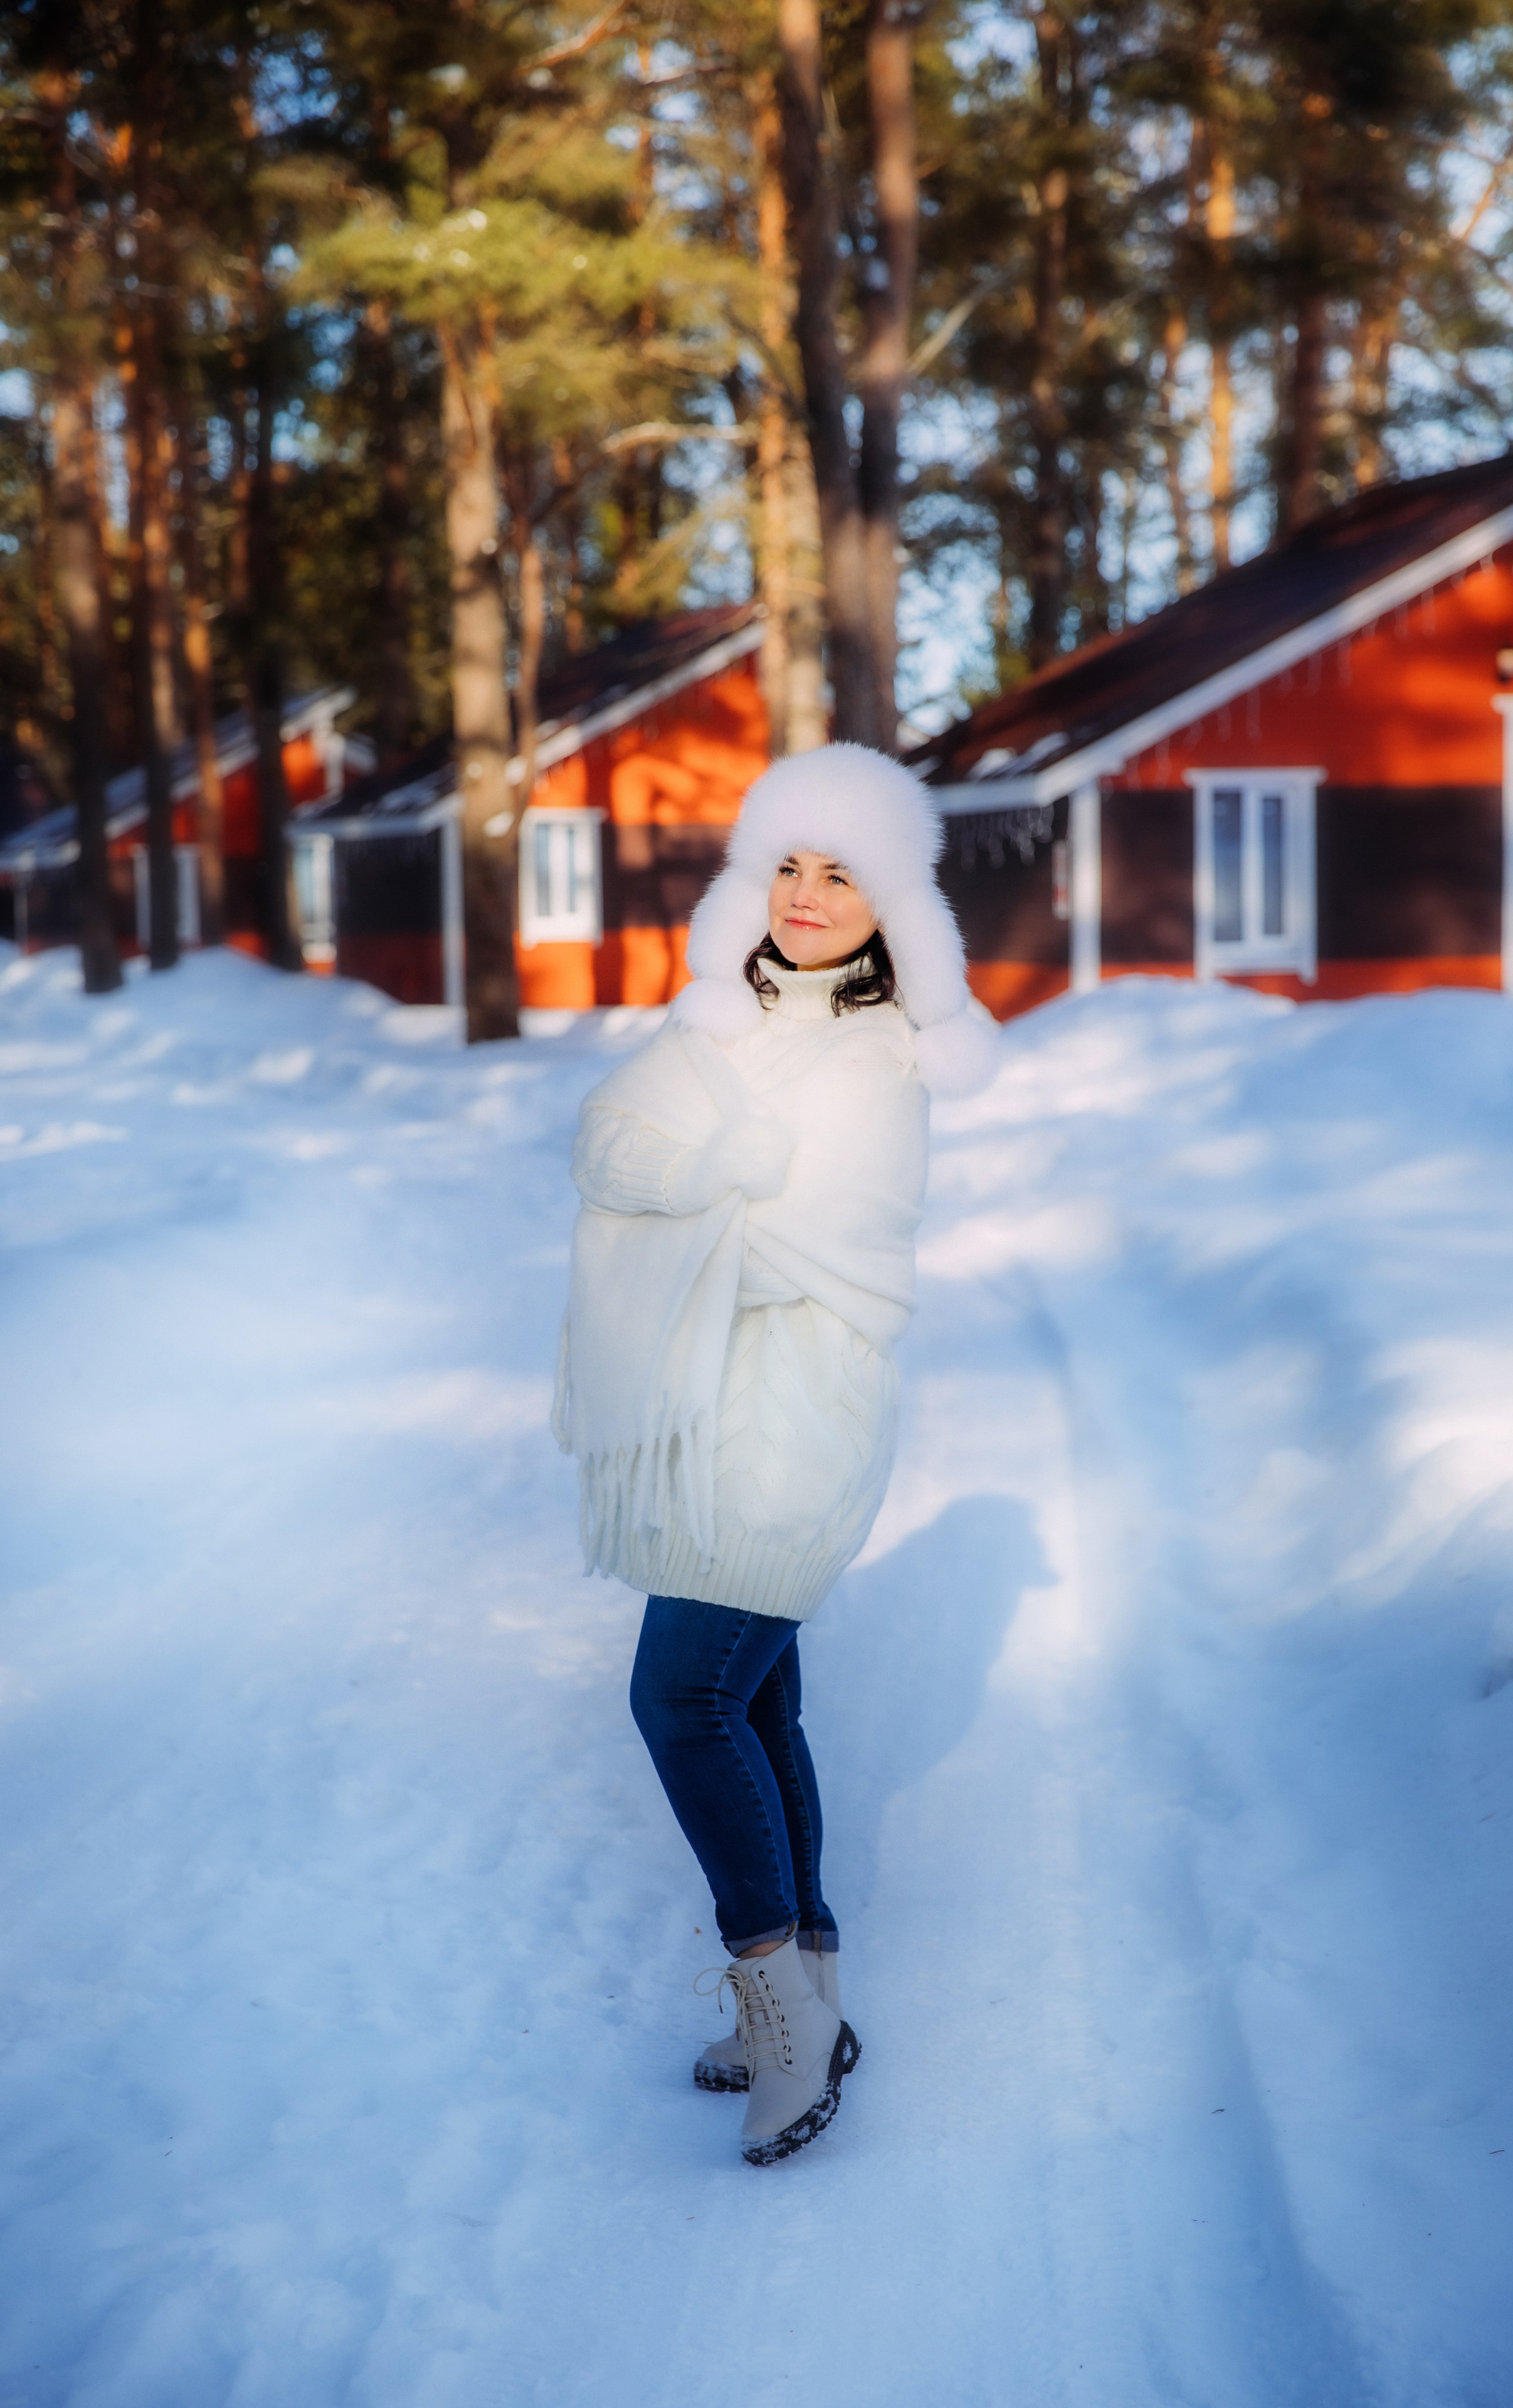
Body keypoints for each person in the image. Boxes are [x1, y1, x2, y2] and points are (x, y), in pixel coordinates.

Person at [553, 742, 997, 2165]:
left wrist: (685, 1190)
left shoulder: (876, 1063)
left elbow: (807, 1248)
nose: (807, 896)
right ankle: (811, 1995)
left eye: (841, 871)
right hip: (699, 1427)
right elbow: (606, 1145)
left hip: (793, 1426)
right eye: (787, 866)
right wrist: (693, 1176)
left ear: (893, 909)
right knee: (756, 1706)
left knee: (680, 1698)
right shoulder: (723, 1021)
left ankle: (781, 2015)